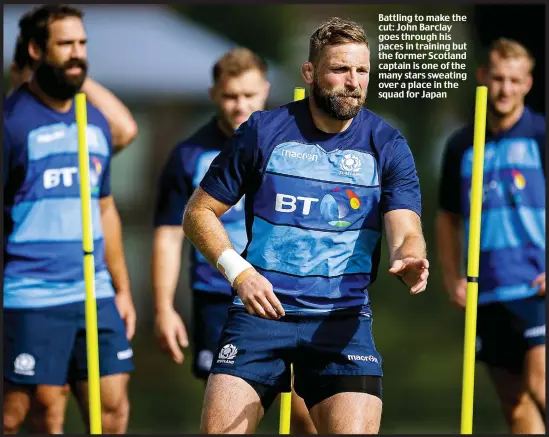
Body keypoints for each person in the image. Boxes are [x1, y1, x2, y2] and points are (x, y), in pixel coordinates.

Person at [182, 17, 429, 434]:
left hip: (341, 321)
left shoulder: (388, 144)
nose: (353, 81)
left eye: (362, 70)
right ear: (310, 72)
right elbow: (198, 213)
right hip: (259, 316)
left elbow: (405, 228)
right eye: (340, 69)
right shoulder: (262, 132)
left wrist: (410, 256)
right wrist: (239, 273)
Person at [152, 47, 317, 434]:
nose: (239, 105)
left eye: (248, 95)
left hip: (284, 293)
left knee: (304, 413)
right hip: (218, 297)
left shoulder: (294, 146)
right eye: (230, 96)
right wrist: (163, 307)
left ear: (265, 89)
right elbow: (168, 237)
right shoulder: (188, 155)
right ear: (214, 95)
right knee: (230, 415)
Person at [3, 5, 136, 434]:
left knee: (113, 405)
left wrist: (122, 288)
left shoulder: (94, 119)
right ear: (36, 50)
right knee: (42, 412)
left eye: (82, 44)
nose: (78, 53)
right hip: (31, 293)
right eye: (66, 44)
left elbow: (105, 208)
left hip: (94, 291)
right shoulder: (12, 123)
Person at [436, 38, 545, 434]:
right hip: (488, 292)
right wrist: (452, 278)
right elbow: (446, 218)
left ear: (528, 83)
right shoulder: (461, 144)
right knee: (514, 404)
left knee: (541, 385)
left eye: (514, 80)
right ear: (483, 77)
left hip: (536, 287)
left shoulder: (540, 135)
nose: (505, 89)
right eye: (497, 78)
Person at [7, 22, 138, 154]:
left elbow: (125, 131)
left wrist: (69, 70)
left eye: (81, 43)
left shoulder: (80, 129)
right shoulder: (13, 124)